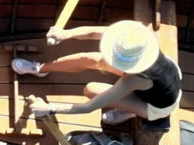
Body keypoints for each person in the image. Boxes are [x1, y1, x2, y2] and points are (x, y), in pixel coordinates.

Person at [12, 19, 182, 128]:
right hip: (166, 77)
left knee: (91, 90)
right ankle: (40, 69)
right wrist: (66, 34)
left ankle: (133, 111)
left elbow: (88, 108)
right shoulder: (134, 38)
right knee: (92, 59)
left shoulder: (134, 79)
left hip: (157, 106)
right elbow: (92, 32)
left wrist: (49, 108)